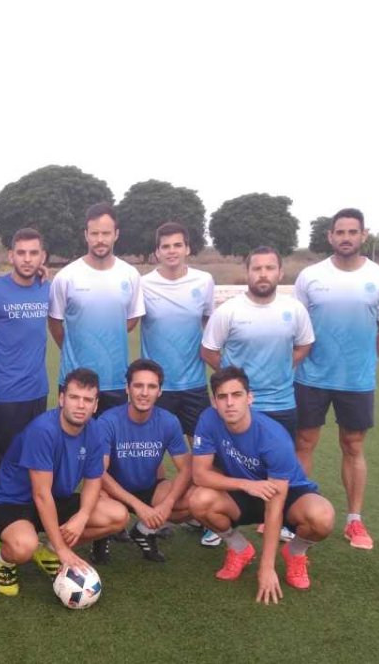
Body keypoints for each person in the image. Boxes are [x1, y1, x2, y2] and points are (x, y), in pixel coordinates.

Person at [293, 209, 379, 550]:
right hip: (311, 376)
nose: (346, 237)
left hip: (356, 381)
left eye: (352, 231)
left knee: (352, 446)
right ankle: (297, 514)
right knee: (304, 444)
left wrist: (364, 362)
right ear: (330, 236)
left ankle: (354, 521)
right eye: (340, 232)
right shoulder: (310, 276)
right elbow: (298, 326)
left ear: (363, 235)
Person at [188, 367, 335, 604]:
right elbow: (200, 475)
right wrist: (246, 484)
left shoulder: (273, 437)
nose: (229, 403)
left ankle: (295, 552)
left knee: (322, 516)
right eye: (222, 397)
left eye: (236, 395)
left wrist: (267, 568)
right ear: (214, 401)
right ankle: (239, 548)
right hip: (245, 489)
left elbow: (274, 508)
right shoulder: (208, 419)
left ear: (249, 397)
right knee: (198, 500)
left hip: (287, 494)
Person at [0, 368, 129, 597]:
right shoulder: (43, 430)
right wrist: (64, 549)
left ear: (95, 405)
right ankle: (6, 561)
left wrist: (81, 517)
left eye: (87, 400)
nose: (80, 405)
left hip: (55, 498)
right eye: (74, 397)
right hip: (10, 501)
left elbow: (93, 482)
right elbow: (41, 494)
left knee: (117, 515)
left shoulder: (95, 432)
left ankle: (48, 549)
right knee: (24, 547)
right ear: (61, 399)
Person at [139, 221, 217, 546]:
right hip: (156, 387)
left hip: (194, 383)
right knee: (153, 456)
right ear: (157, 251)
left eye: (177, 245)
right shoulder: (143, 284)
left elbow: (210, 324)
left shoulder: (204, 281)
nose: (171, 251)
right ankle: (153, 518)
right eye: (165, 246)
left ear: (187, 247)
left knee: (203, 454)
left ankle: (207, 516)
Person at [201, 246, 314, 441]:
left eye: (270, 268)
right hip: (236, 404)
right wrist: (234, 375)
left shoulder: (295, 309)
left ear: (280, 273)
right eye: (257, 269)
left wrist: (284, 365)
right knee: (234, 465)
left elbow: (304, 346)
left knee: (279, 466)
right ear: (247, 273)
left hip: (281, 404)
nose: (263, 274)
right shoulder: (228, 311)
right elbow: (208, 351)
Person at [48, 203, 144, 415]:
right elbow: (54, 322)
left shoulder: (130, 274)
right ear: (86, 235)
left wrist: (108, 331)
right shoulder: (66, 276)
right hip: (75, 381)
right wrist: (74, 346)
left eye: (106, 233)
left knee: (113, 445)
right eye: (95, 233)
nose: (100, 239)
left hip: (116, 381)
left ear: (116, 234)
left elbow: (132, 318)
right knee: (72, 444)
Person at [94, 359, 192, 563]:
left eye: (151, 386)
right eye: (138, 385)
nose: (144, 392)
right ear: (127, 389)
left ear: (160, 391)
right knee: (111, 507)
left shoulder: (169, 421)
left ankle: (143, 531)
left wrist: (167, 504)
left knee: (192, 501)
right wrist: (138, 506)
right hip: (112, 491)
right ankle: (101, 537)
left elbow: (186, 469)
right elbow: (99, 473)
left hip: (148, 488)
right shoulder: (108, 421)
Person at [0, 227, 50, 490]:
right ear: (11, 255)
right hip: (4, 395)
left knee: (33, 462)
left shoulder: (46, 289)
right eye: (21, 253)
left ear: (43, 257)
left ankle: (25, 518)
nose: (27, 259)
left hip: (38, 392)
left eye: (33, 253)